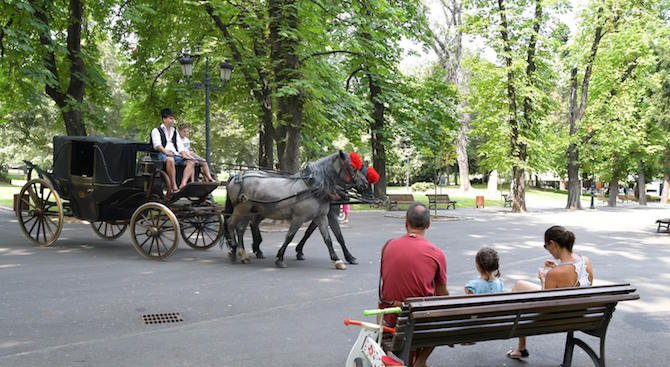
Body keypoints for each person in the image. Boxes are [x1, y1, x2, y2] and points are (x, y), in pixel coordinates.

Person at [506, 225, 594, 360]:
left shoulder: (554, 273)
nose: (548, 250)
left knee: (518, 288)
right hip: (580, 313)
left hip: (558, 318)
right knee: (520, 285)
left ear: (552, 244)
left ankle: (521, 347)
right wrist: (557, 269)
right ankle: (521, 348)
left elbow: (545, 304)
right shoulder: (586, 261)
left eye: (546, 246)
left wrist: (543, 278)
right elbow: (576, 283)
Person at [379, 202, 448, 367]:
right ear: (429, 224)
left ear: (405, 223)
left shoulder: (388, 246)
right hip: (419, 320)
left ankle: (393, 356)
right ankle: (421, 361)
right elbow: (442, 293)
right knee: (441, 314)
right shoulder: (436, 253)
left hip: (391, 316)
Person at [150, 108, 195, 192]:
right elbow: (157, 146)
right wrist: (167, 152)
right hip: (161, 154)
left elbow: (180, 146)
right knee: (170, 159)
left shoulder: (174, 131)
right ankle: (173, 186)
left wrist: (183, 154)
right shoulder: (156, 131)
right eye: (170, 118)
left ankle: (183, 184)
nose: (172, 120)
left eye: (172, 118)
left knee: (191, 161)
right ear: (164, 119)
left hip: (175, 154)